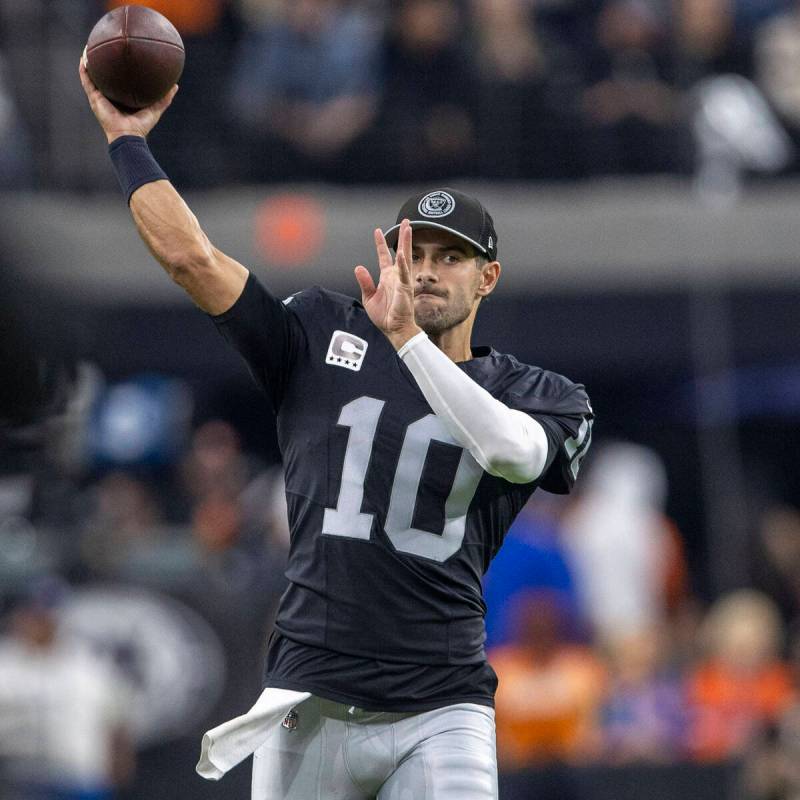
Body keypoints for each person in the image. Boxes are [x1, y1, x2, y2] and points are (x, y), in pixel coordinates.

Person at [78, 58, 593, 800]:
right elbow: (193, 259)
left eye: (451, 257)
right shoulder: (320, 332)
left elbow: (512, 452)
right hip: (309, 698)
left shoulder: (535, 393)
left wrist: (409, 343)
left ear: (488, 278)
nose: (426, 271)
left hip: (441, 704)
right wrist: (128, 141)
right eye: (414, 252)